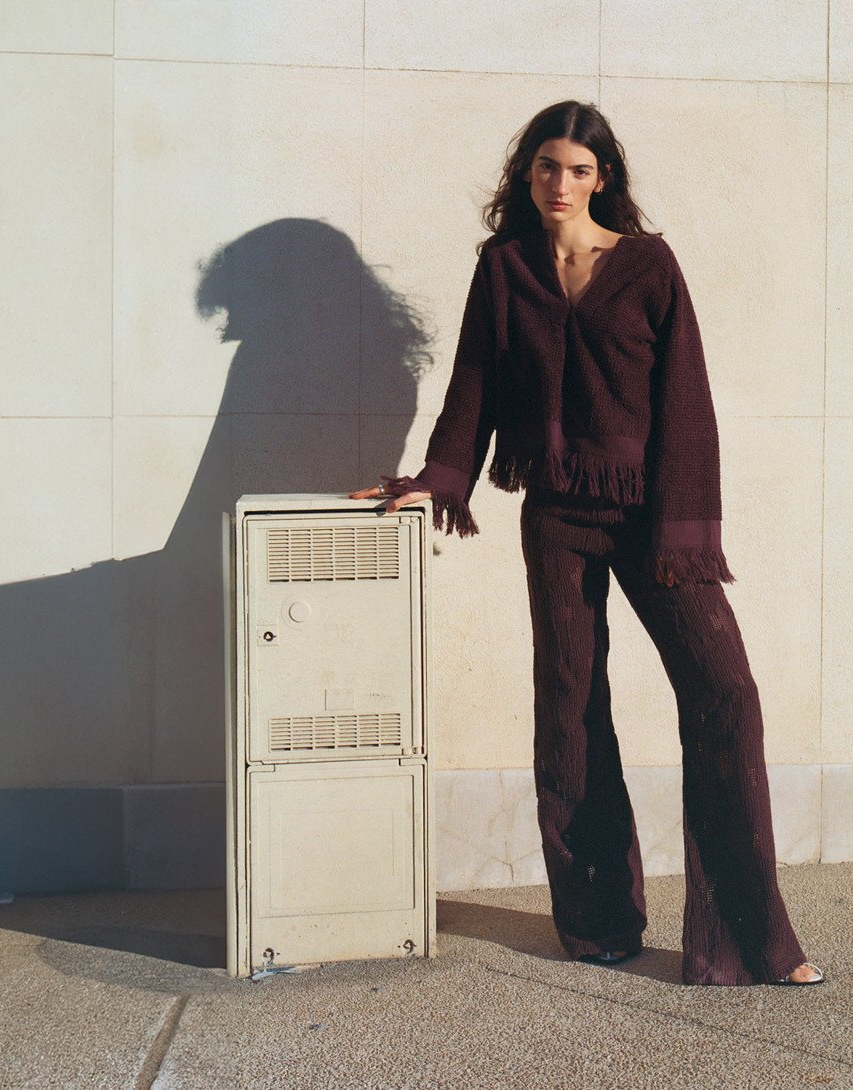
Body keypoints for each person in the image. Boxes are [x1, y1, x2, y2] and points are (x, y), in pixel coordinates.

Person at [348, 100, 822, 987]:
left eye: (575, 169)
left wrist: (685, 529)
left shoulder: (647, 264)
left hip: (649, 515)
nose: (557, 184)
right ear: (524, 176)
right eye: (543, 168)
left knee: (726, 694)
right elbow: (475, 383)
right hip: (557, 516)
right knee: (570, 710)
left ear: (603, 177)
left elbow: (687, 399)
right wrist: (437, 480)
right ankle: (598, 919)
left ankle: (751, 938)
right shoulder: (505, 267)